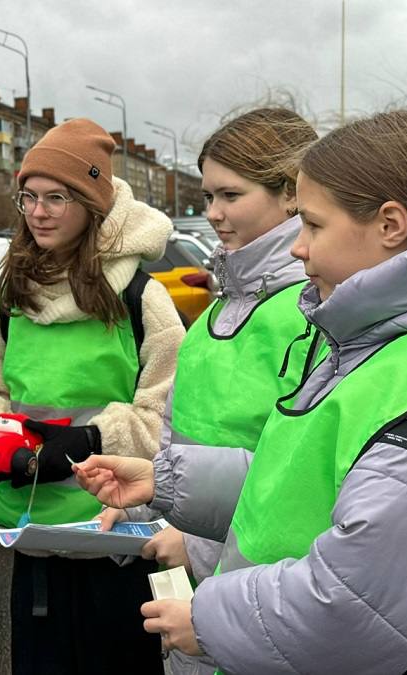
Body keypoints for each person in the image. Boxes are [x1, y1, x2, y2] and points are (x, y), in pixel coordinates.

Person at [75, 110, 407, 675]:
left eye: (314, 225)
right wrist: (166, 480)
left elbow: (359, 602)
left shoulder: (370, 352)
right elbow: (296, 474)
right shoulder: (355, 339)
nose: (299, 249)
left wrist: (208, 616)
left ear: (390, 225)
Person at [0, 117, 184, 674]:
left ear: (92, 205)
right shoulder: (11, 293)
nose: (38, 213)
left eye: (56, 198)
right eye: (29, 197)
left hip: (117, 540)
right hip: (32, 534)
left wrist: (91, 439)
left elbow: (173, 414)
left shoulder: (142, 297)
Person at [134, 108, 318, 675]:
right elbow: (177, 433)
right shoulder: (222, 306)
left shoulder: (312, 312)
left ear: (291, 195)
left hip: (259, 594)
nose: (212, 214)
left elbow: (299, 480)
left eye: (230, 195)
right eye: (208, 195)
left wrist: (198, 546)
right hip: (197, 578)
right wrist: (156, 511)